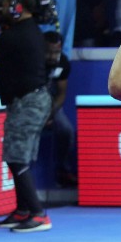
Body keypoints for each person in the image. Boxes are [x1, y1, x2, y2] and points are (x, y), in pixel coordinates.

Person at [0, 0, 53, 232]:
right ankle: (23, 210)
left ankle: (38, 215)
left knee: (17, 158)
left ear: (17, 7)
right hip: (30, 100)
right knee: (16, 157)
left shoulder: (15, 34)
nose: (2, 8)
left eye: (5, 3)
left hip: (28, 102)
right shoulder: (29, 30)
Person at [43, 31, 78, 186]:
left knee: (66, 130)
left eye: (56, 52)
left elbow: (61, 94)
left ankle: (62, 170)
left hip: (51, 105)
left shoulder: (62, 62)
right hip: (30, 104)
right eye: (48, 52)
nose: (52, 56)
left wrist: (50, 115)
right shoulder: (33, 61)